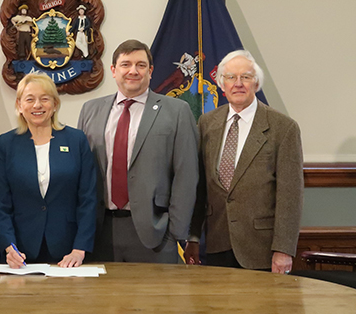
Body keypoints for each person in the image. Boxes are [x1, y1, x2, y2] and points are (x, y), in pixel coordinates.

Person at [78, 39, 199, 263]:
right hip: (98, 231)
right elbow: (80, 172)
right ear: (114, 70)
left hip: (156, 234)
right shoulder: (90, 110)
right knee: (102, 299)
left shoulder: (177, 111)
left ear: (150, 71)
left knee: (155, 299)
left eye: (141, 65)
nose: (133, 71)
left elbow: (187, 174)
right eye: (125, 64)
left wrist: (175, 233)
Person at [184, 50, 303, 273]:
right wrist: (193, 237)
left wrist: (284, 250)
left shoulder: (283, 128)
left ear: (256, 83)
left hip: (262, 250)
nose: (238, 83)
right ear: (221, 83)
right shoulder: (207, 123)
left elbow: (290, 195)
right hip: (217, 244)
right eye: (230, 77)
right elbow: (200, 187)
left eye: (246, 77)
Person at [0, 73, 96, 268]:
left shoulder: (76, 140)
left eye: (44, 99)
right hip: (19, 253)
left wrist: (80, 248)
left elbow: (88, 199)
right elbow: (0, 203)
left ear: (55, 104)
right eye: (29, 99)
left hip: (69, 253)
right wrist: (9, 246)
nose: (37, 105)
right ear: (19, 106)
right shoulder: (6, 144)